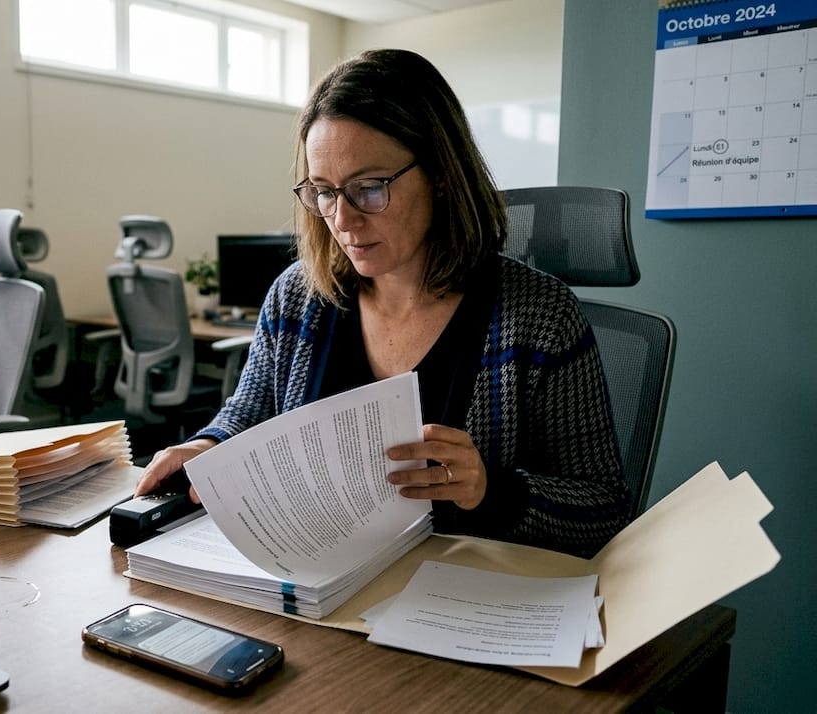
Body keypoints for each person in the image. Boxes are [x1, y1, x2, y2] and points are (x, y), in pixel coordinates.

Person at [136, 49, 631, 558]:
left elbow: (606, 511)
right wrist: (206, 446)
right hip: (321, 592)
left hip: (463, 603)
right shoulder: (296, 296)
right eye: (324, 192)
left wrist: (489, 489)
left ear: (440, 172)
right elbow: (250, 411)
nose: (343, 220)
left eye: (369, 189)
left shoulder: (540, 317)